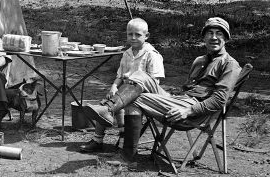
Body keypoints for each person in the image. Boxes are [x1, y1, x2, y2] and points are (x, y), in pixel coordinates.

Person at [83, 17, 241, 164]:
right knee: (140, 75)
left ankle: (126, 154)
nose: (214, 37)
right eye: (210, 33)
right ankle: (108, 109)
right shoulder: (200, 60)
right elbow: (188, 88)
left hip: (193, 112)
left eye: (219, 34)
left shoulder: (229, 64)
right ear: (204, 37)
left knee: (134, 99)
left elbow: (220, 100)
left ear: (226, 38)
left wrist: (189, 110)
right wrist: (171, 97)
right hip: (180, 100)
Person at [79, 18, 164, 155]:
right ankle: (98, 140)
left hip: (144, 93)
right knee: (108, 101)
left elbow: (155, 82)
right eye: (130, 34)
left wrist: (134, 84)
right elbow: (120, 75)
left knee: (121, 105)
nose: (133, 38)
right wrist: (113, 86)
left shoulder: (151, 54)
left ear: (146, 36)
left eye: (138, 35)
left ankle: (124, 138)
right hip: (124, 92)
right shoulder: (127, 53)